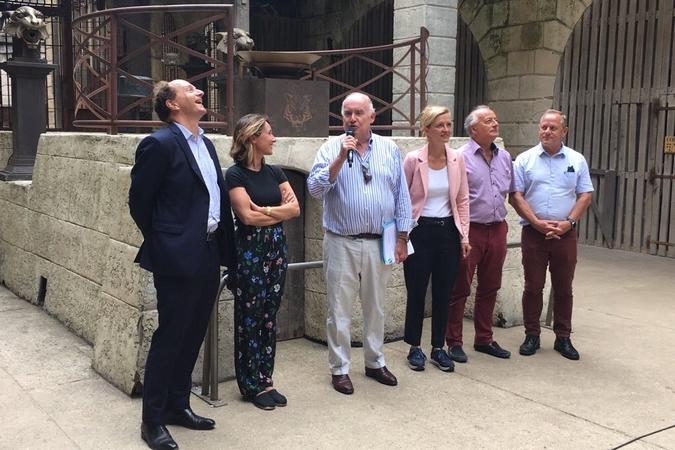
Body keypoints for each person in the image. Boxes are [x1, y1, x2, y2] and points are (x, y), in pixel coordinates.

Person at [129, 79, 235, 450]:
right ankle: (152, 421)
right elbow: (140, 202)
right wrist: (168, 243)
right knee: (170, 336)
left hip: (208, 252)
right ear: (172, 104)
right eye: (190, 89)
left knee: (193, 334)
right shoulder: (158, 144)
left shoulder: (205, 143)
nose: (200, 92)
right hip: (177, 257)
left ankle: (178, 405)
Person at [307, 92, 414, 395]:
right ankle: (339, 368)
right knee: (339, 309)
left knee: (376, 307)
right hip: (342, 241)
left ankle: (374, 362)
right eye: (347, 114)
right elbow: (315, 189)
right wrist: (341, 157)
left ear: (372, 117)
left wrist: (403, 237)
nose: (352, 119)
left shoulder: (390, 148)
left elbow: (401, 196)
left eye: (358, 113)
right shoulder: (330, 148)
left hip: (379, 242)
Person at [225, 114, 300, 410]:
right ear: (252, 137)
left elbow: (294, 209)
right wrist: (275, 211)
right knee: (249, 318)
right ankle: (250, 384)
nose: (274, 137)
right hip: (249, 253)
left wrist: (266, 210)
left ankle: (266, 378)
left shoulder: (276, 172)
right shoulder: (235, 175)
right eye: (269, 133)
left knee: (269, 316)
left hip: (276, 251)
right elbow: (246, 216)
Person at [509, 109, 593, 360]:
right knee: (533, 286)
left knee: (564, 288)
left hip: (564, 234)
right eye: (543, 127)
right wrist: (535, 222)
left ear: (563, 131)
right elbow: (516, 195)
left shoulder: (576, 160)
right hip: (534, 233)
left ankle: (563, 338)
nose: (546, 131)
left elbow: (585, 194)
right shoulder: (524, 160)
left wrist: (569, 222)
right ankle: (531, 335)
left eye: (552, 128)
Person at [402, 105, 470, 372]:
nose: (445, 130)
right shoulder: (412, 160)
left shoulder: (457, 159)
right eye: (440, 125)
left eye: (448, 125)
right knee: (416, 290)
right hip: (420, 231)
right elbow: (402, 199)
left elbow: (462, 199)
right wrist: (401, 236)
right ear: (426, 129)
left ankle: (438, 347)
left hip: (448, 232)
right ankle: (414, 346)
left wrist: (464, 234)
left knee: (444, 292)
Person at [445, 106, 514, 362]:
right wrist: (461, 232)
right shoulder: (459, 157)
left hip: (497, 228)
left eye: (495, 119)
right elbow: (452, 198)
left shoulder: (504, 157)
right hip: (469, 230)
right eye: (488, 121)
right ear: (474, 129)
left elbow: (511, 191)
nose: (495, 123)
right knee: (460, 287)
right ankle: (453, 341)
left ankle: (484, 338)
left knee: (490, 285)